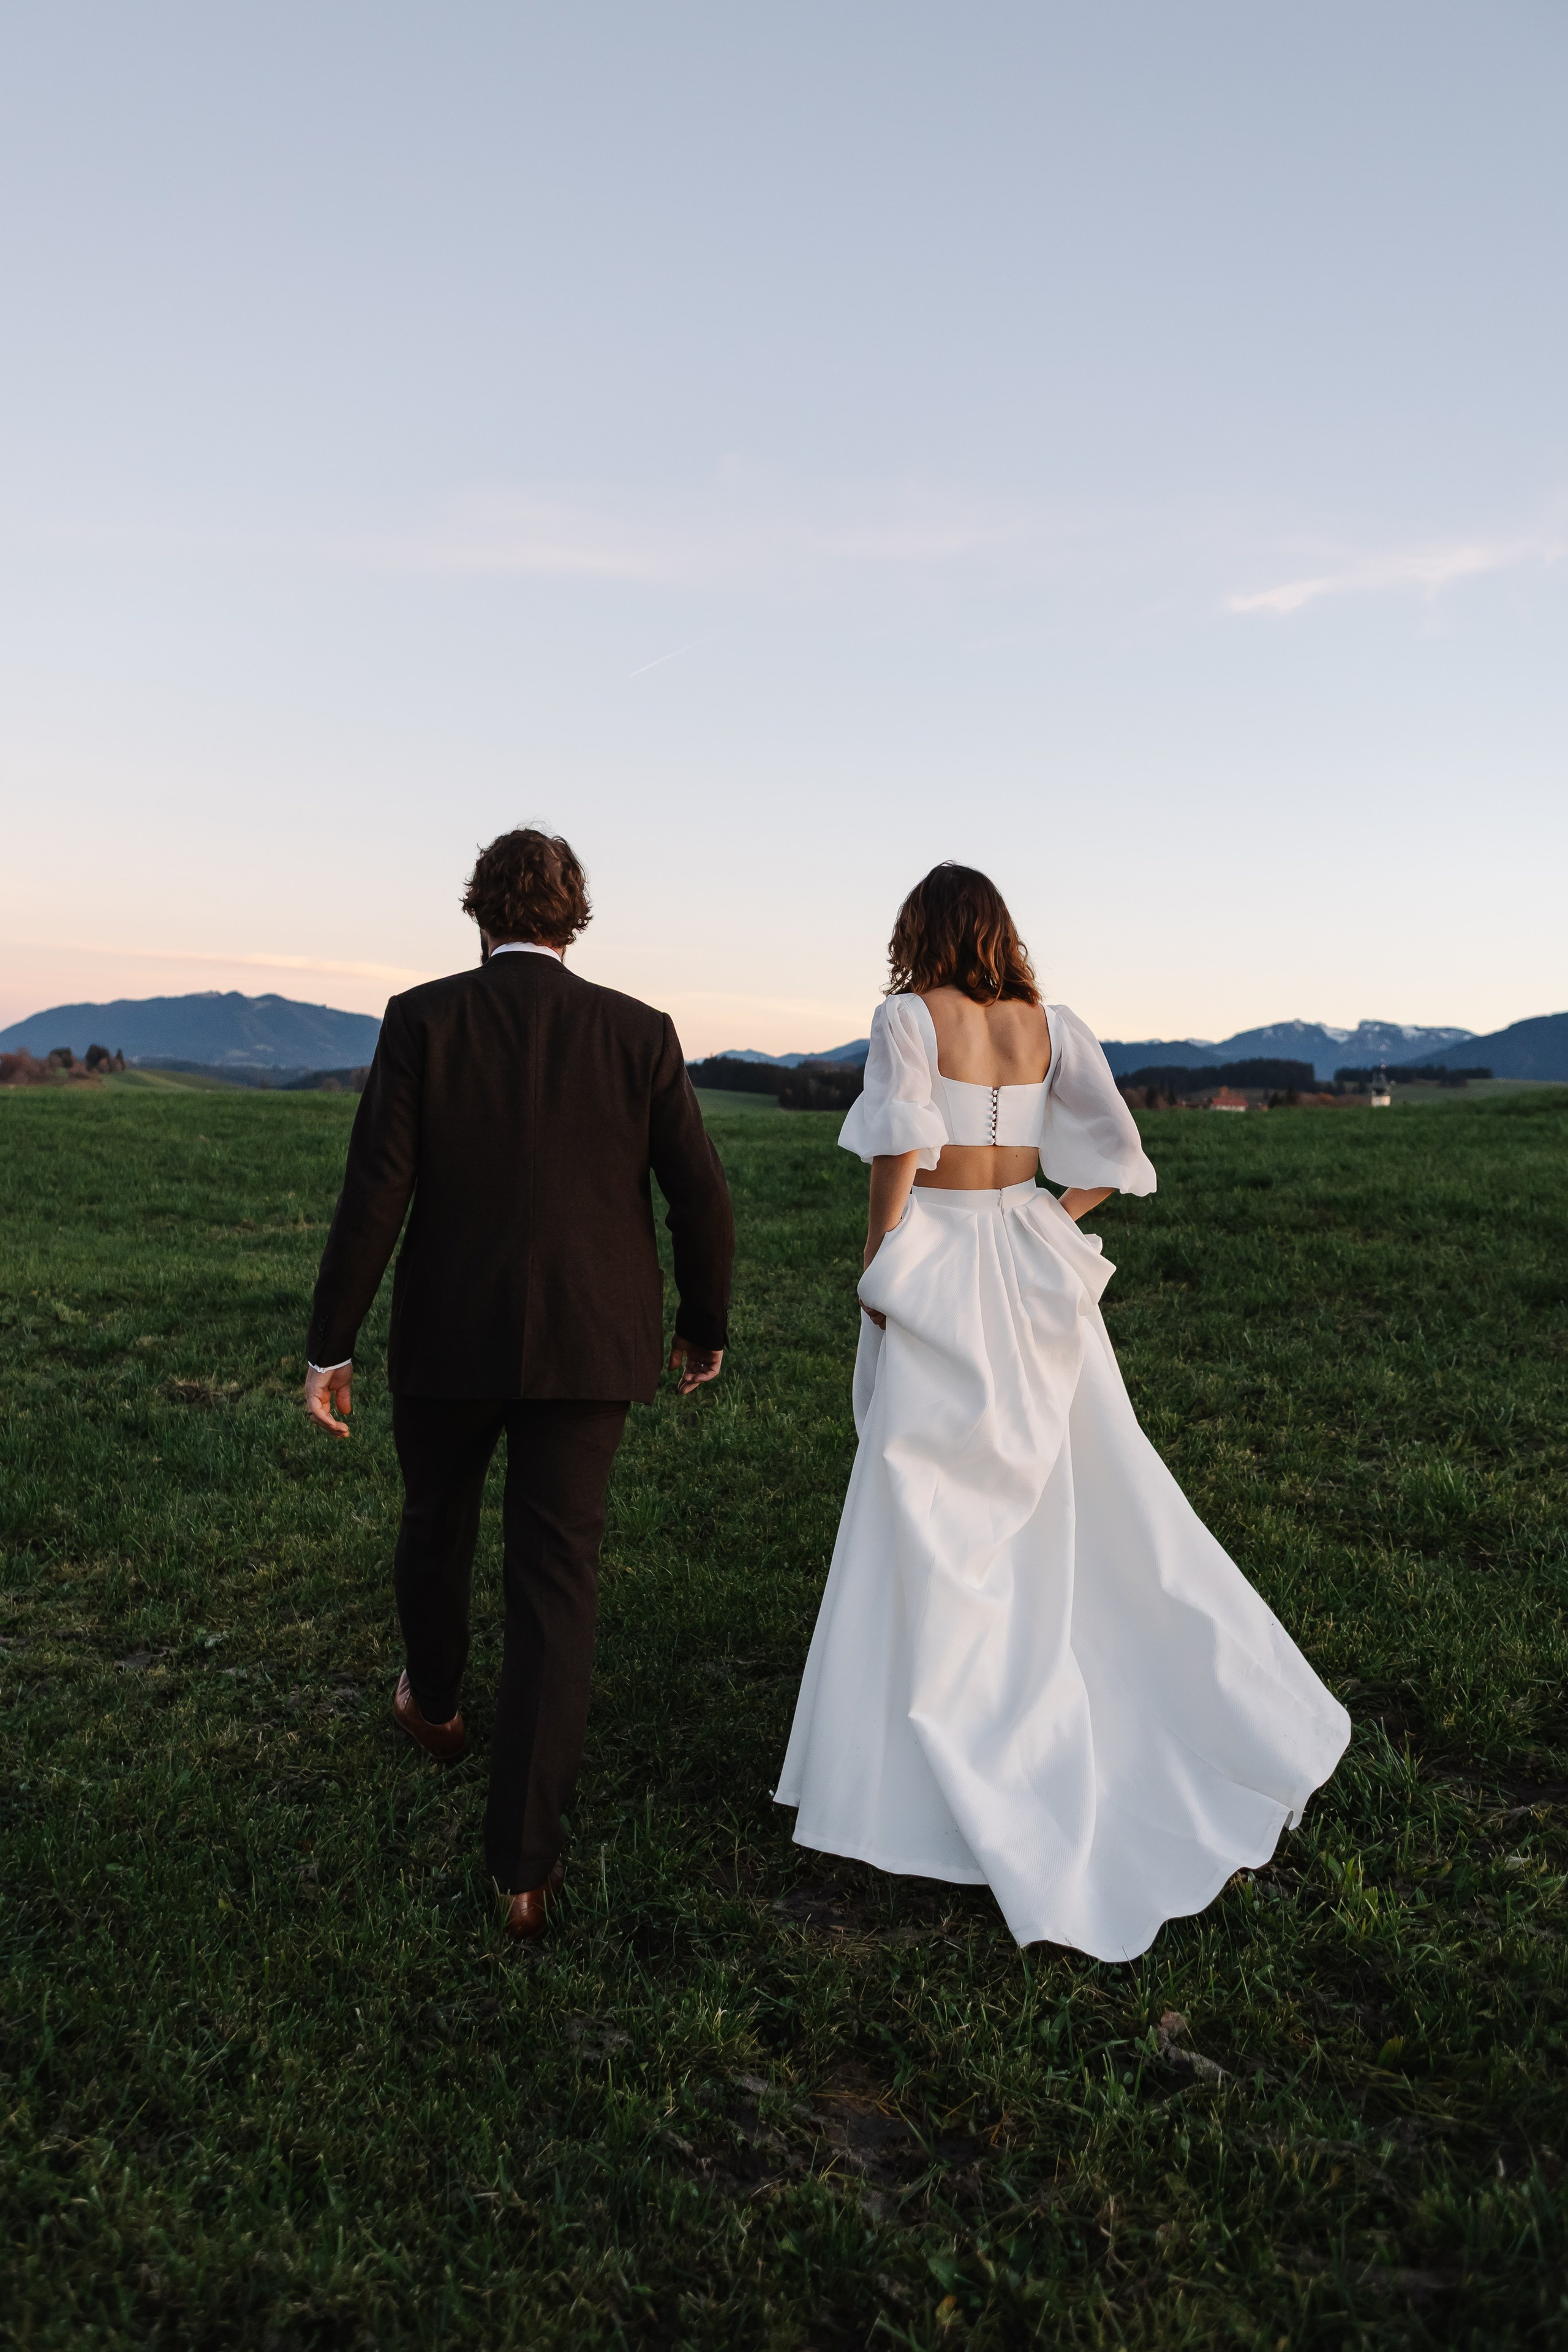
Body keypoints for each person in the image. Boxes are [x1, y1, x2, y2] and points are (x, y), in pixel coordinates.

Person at [775, 863, 1349, 1962]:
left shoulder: (907, 1018)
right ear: (998, 930)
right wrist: (1048, 1213)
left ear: (921, 932)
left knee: (924, 1497)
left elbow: (900, 1147)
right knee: (1067, 1480)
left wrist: (881, 1260)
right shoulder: (1051, 1025)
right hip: (1028, 1255)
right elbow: (1119, 1156)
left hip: (939, 1256)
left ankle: (922, 1762)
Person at [303, 827, 734, 1942]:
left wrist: (329, 1345)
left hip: (449, 1332)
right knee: (556, 1581)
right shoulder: (640, 1031)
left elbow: (375, 1190)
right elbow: (700, 1193)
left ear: (480, 914)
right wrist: (703, 1325)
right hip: (592, 1344)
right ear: (572, 918)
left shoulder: (422, 1018)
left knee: (435, 1519)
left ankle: (436, 1707)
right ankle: (524, 1872)